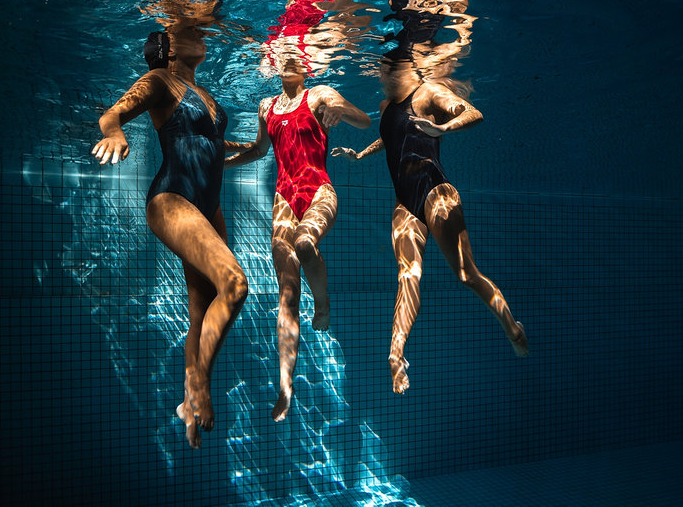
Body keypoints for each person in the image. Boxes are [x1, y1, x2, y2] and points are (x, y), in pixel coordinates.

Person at [92, 26, 248, 448]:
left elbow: (213, 143)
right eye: (189, 30)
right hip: (173, 200)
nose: (202, 33)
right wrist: (115, 133)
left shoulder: (206, 93)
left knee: (202, 313)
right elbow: (113, 114)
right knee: (233, 285)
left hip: (208, 207)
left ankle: (189, 405)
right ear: (169, 47)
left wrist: (255, 148)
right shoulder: (159, 81)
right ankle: (198, 385)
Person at [333, 56, 527, 395]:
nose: (382, 76)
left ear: (405, 68)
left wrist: (444, 128)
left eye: (387, 69)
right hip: (405, 203)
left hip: (436, 191)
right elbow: (392, 138)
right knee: (407, 277)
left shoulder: (429, 91)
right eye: (381, 70)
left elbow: (472, 113)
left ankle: (513, 329)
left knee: (466, 274)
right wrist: (361, 155)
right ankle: (396, 354)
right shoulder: (385, 106)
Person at [225, 56, 370, 420]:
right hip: (284, 198)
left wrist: (342, 107)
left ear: (307, 65)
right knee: (286, 293)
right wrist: (222, 163)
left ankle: (322, 304)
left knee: (305, 244)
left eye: (296, 54)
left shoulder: (321, 94)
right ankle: (285, 387)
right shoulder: (266, 106)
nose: (289, 58)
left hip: (319, 190)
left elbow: (364, 120)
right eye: (282, 54)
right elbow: (259, 151)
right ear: (274, 64)